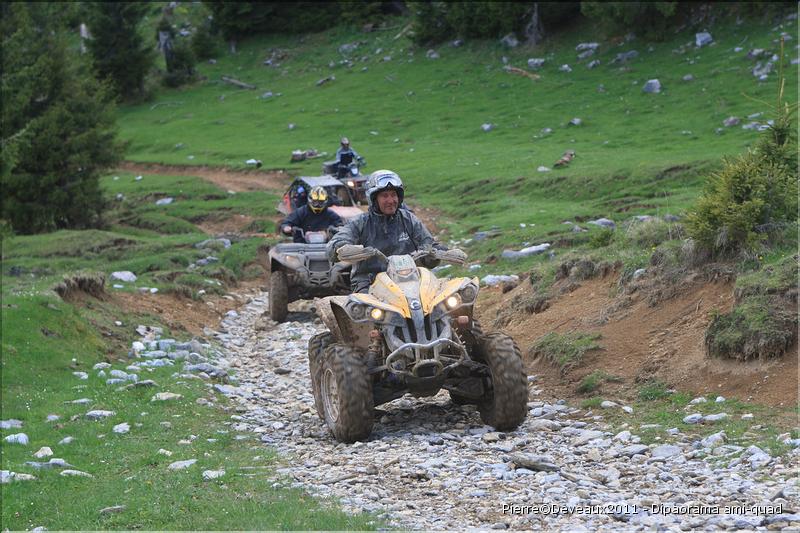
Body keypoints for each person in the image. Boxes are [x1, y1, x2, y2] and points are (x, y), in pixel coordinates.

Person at [327, 170, 446, 293]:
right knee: (362, 308)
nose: (390, 200)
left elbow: (428, 245)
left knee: (438, 302)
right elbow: (333, 246)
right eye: (385, 196)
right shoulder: (360, 222)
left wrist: (439, 253)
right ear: (373, 199)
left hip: (409, 279)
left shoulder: (409, 219)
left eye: (393, 195)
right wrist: (340, 247)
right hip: (370, 282)